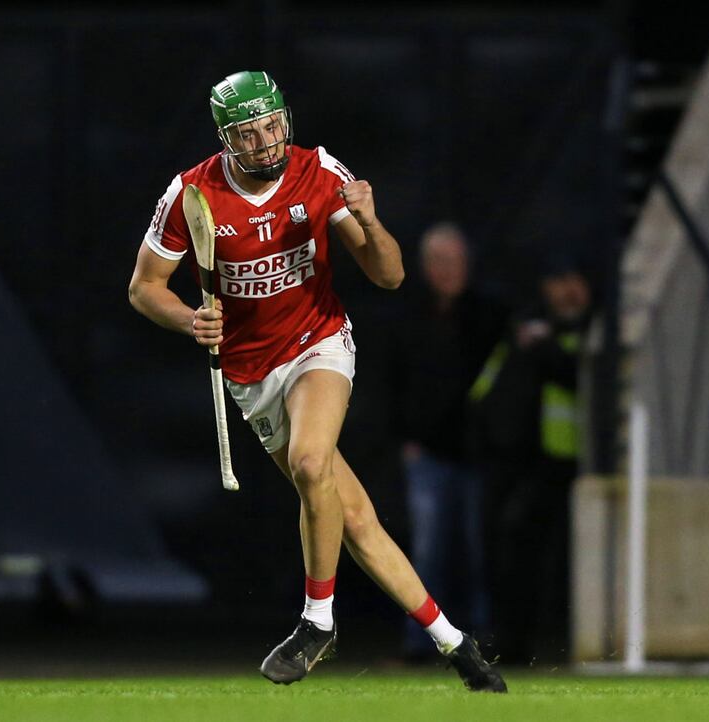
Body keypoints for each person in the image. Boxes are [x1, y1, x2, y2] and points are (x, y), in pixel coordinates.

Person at [128, 70, 506, 692]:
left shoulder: (319, 172)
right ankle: (457, 645)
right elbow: (144, 289)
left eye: (273, 126)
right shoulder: (190, 194)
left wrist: (372, 220)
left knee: (310, 463)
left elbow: (389, 276)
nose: (267, 142)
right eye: (250, 134)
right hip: (252, 373)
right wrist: (190, 319)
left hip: (318, 342)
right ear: (227, 139)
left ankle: (317, 621)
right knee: (351, 515)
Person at [389, 222, 509, 660]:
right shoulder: (410, 316)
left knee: (480, 553)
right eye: (438, 260)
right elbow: (394, 381)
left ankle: (483, 639)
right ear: (424, 266)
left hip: (478, 453)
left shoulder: (491, 315)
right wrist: (406, 437)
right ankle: (422, 642)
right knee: (428, 554)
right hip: (429, 454)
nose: (446, 269)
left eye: (454, 260)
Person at [469, 258, 591, 664]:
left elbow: (582, 376)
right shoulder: (523, 329)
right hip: (513, 462)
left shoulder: (587, 330)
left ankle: (553, 643)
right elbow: (488, 388)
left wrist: (544, 345)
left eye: (573, 280)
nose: (566, 291)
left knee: (548, 560)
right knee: (507, 555)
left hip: (563, 465)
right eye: (558, 280)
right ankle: (508, 642)